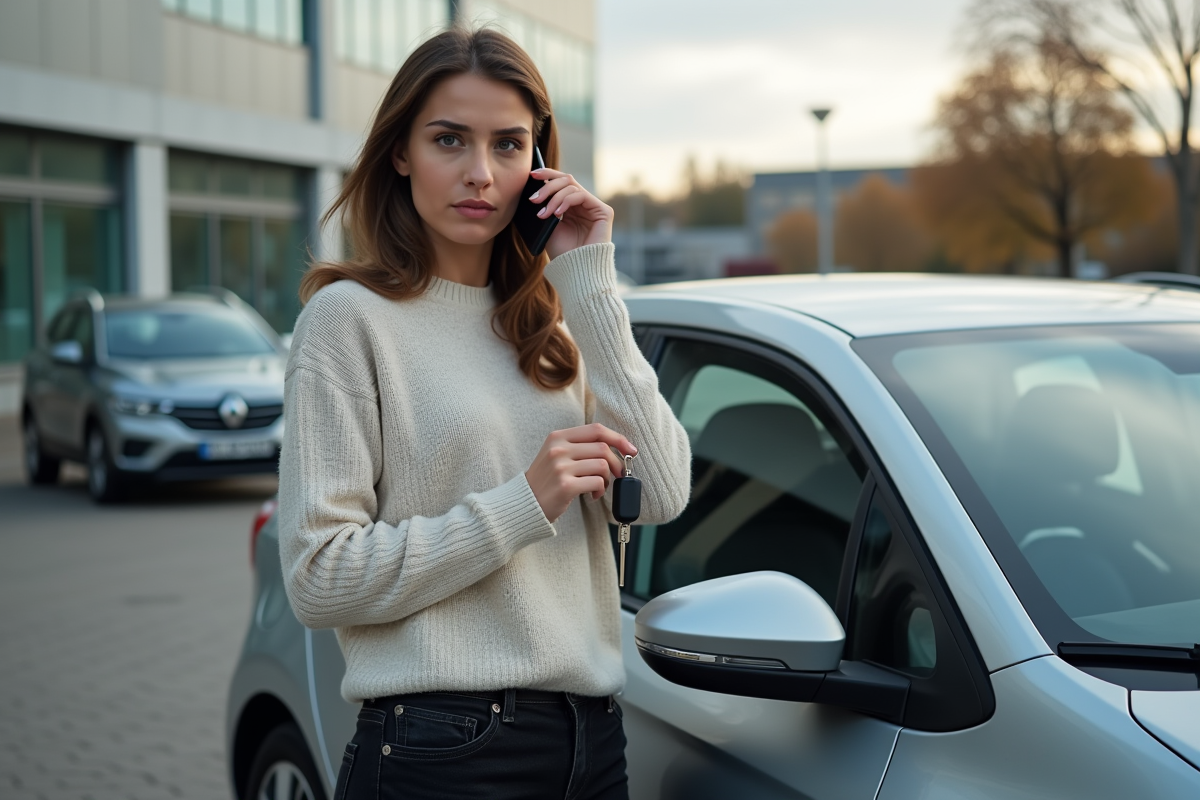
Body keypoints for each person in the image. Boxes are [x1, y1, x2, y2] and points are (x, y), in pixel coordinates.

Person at [278, 25, 692, 800]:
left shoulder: (555, 323)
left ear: (539, 162)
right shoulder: (348, 320)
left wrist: (590, 279)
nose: (480, 174)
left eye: (508, 146)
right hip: (444, 749)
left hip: (593, 741)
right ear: (399, 151)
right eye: (449, 140)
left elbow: (663, 491)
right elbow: (318, 577)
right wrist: (521, 503)